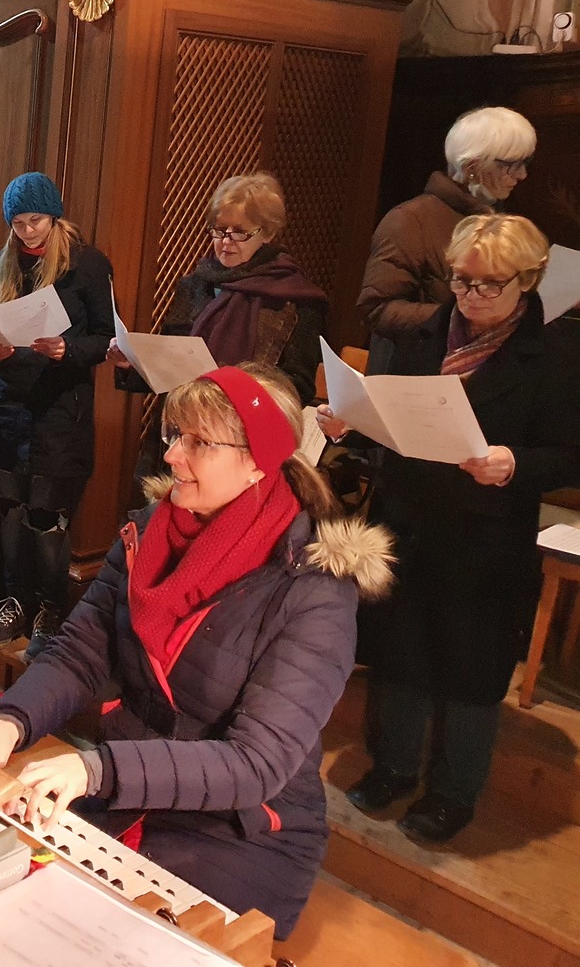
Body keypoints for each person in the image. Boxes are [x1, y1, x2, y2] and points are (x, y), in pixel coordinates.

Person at [0, 364, 393, 940]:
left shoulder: (315, 590)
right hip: (131, 791)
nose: (172, 456)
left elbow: (256, 764)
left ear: (257, 462)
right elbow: (79, 653)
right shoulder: (151, 531)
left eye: (199, 443)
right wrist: (11, 721)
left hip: (239, 830)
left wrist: (98, 769)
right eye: (174, 435)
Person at [320, 214, 580, 843]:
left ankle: (453, 793)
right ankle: (393, 768)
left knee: (470, 671)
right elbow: (391, 416)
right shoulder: (424, 335)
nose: (471, 296)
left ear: (529, 279)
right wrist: (352, 423)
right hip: (407, 519)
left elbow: (570, 454)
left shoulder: (555, 354)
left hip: (485, 536)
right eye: (462, 280)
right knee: (400, 654)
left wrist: (514, 464)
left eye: (490, 284)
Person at [0, 172, 114, 658]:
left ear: (55, 216)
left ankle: (51, 611)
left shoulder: (87, 264)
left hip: (58, 410)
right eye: (18, 223)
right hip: (6, 408)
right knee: (10, 508)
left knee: (46, 515)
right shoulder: (2, 265)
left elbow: (105, 338)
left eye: (35, 220)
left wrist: (66, 349)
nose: (28, 231)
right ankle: (15, 600)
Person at [109, 173, 327, 479]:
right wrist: (130, 365)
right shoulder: (195, 285)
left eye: (240, 233)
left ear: (267, 233)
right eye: (219, 230)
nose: (225, 242)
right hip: (178, 435)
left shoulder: (296, 300)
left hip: (243, 444)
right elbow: (168, 364)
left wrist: (233, 385)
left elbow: (297, 388)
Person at [359, 106, 536, 371]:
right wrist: (464, 315)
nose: (522, 175)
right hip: (415, 374)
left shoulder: (501, 219)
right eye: (511, 165)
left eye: (526, 163)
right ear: (472, 167)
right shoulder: (410, 220)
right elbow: (376, 310)